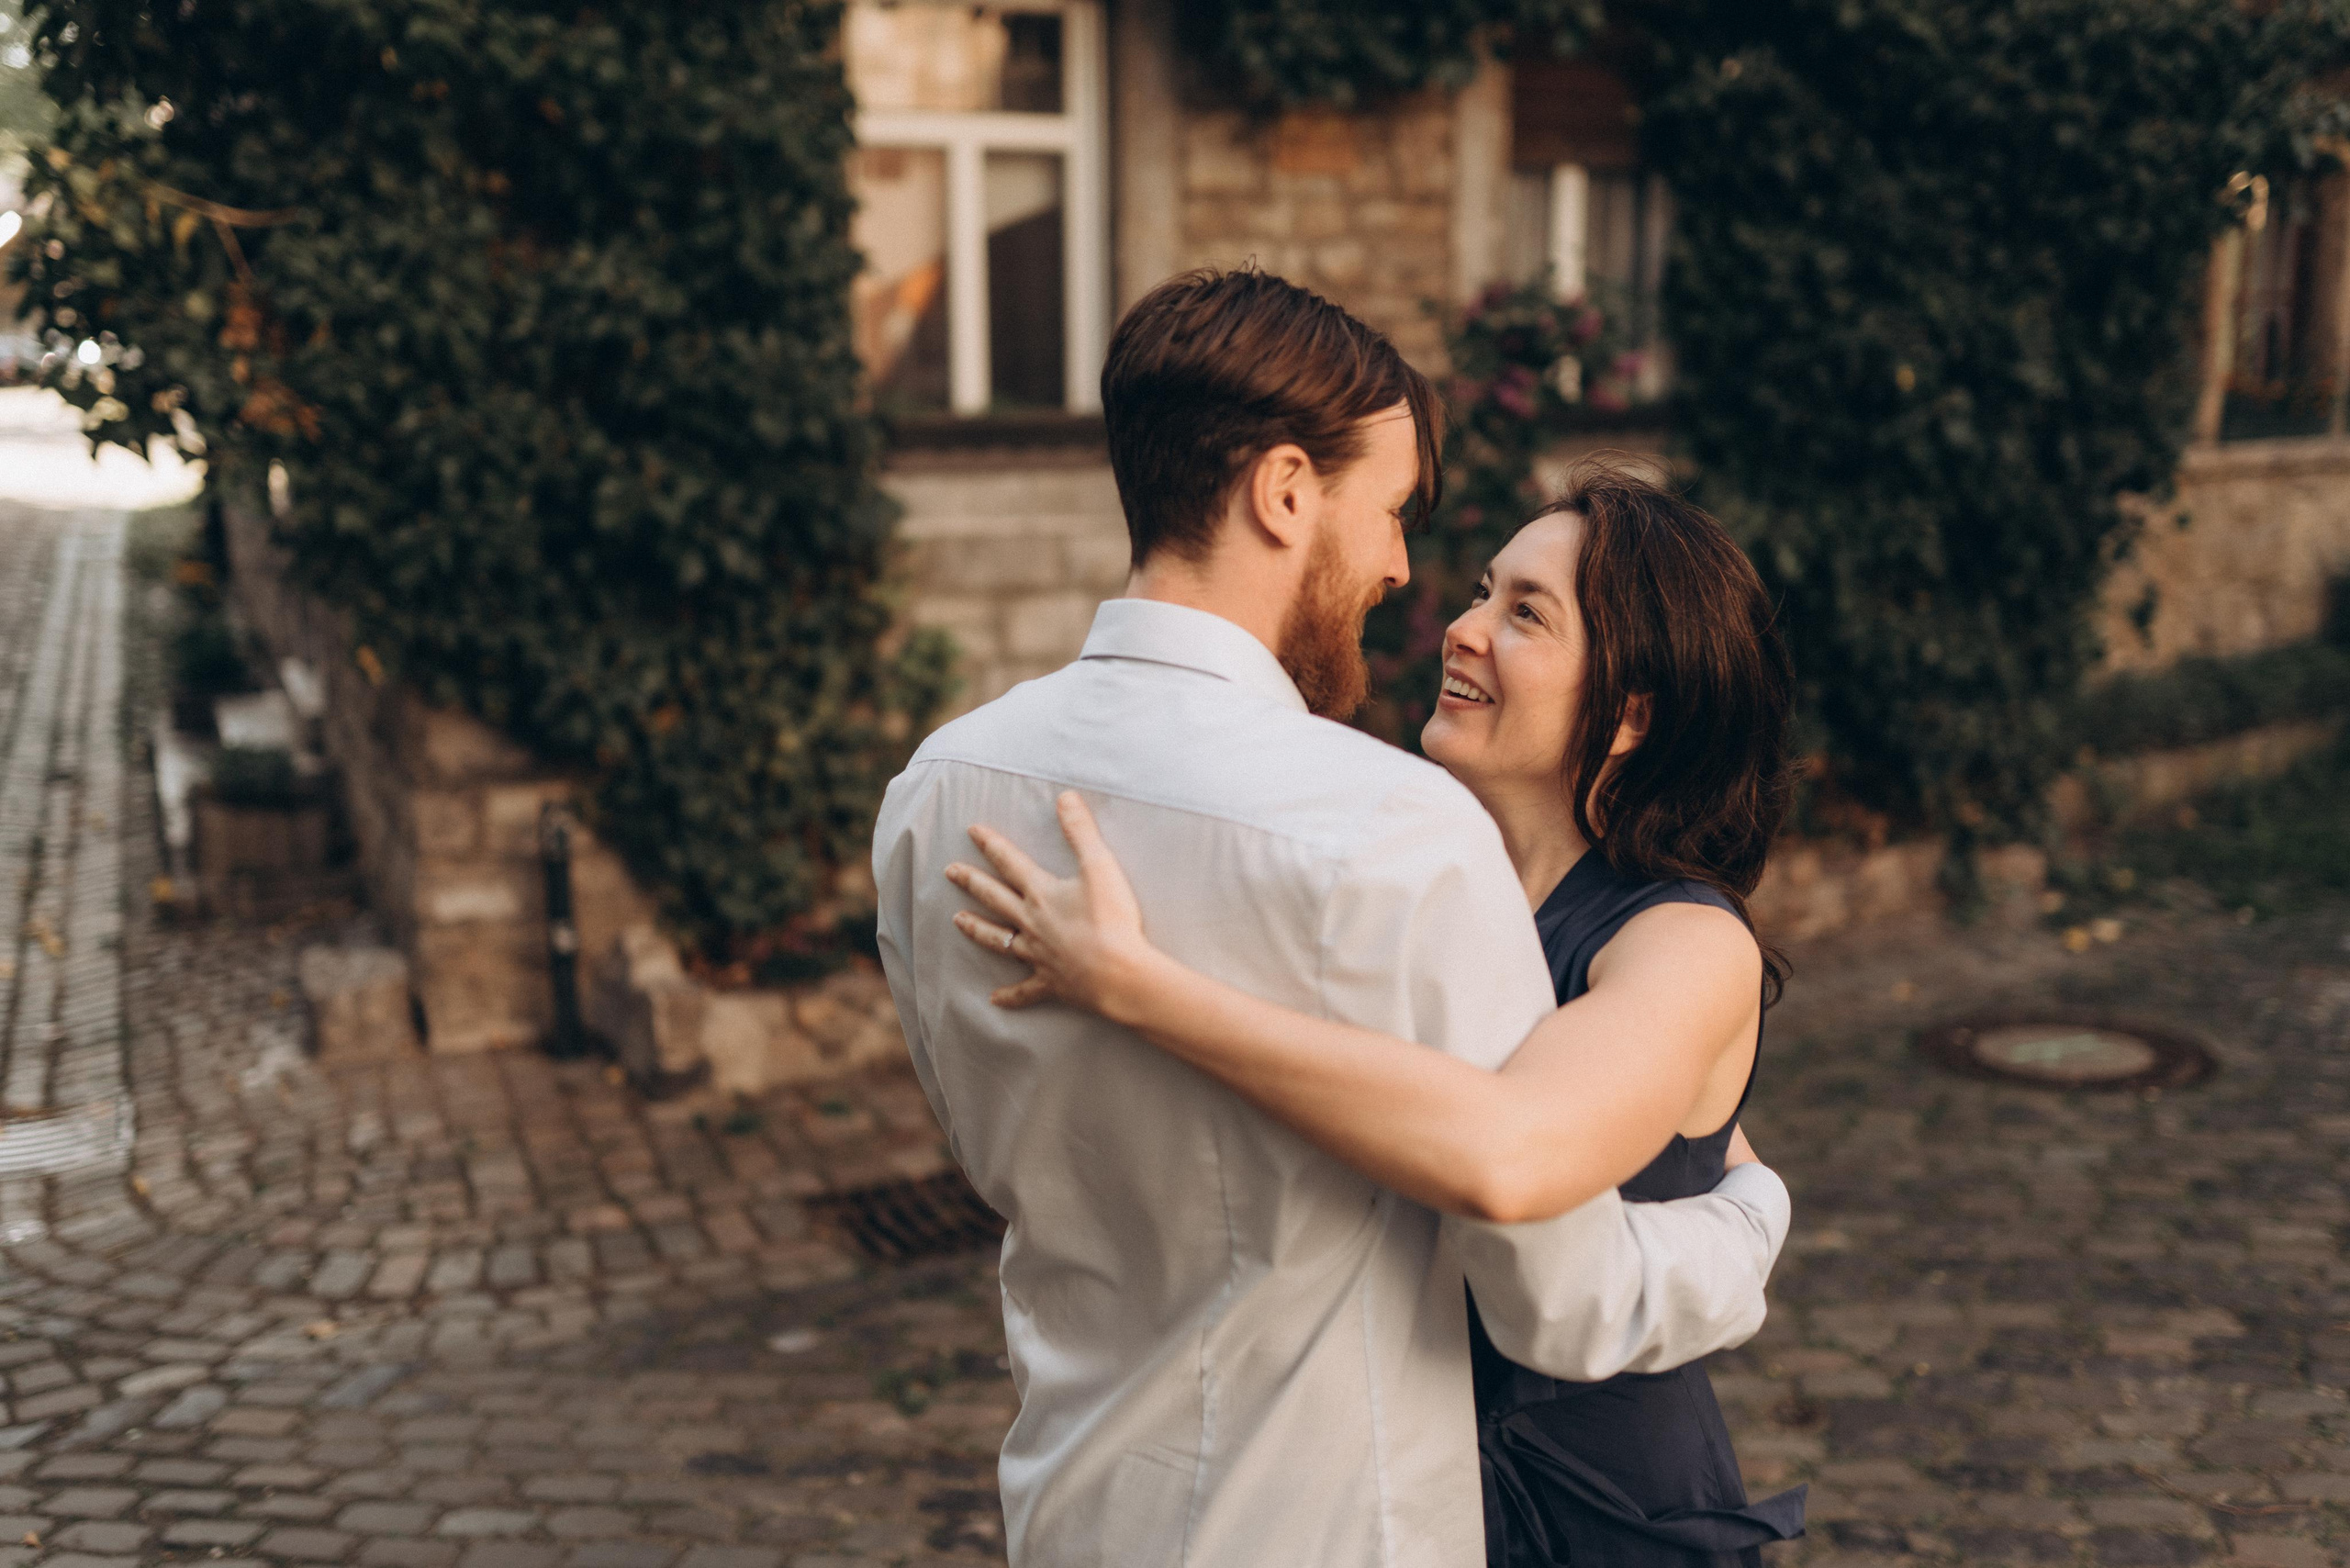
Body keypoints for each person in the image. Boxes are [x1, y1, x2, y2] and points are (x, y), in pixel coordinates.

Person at [872, 269, 1793, 1568]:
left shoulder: (936, 792)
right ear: (1288, 492)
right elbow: (1555, 1283)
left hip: (1083, 1502)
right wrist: (1747, 1223)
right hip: (1327, 1520)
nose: (1418, 583)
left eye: (1522, 609)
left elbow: (1001, 1153)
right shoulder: (1396, 839)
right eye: (1397, 515)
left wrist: (1144, 994)